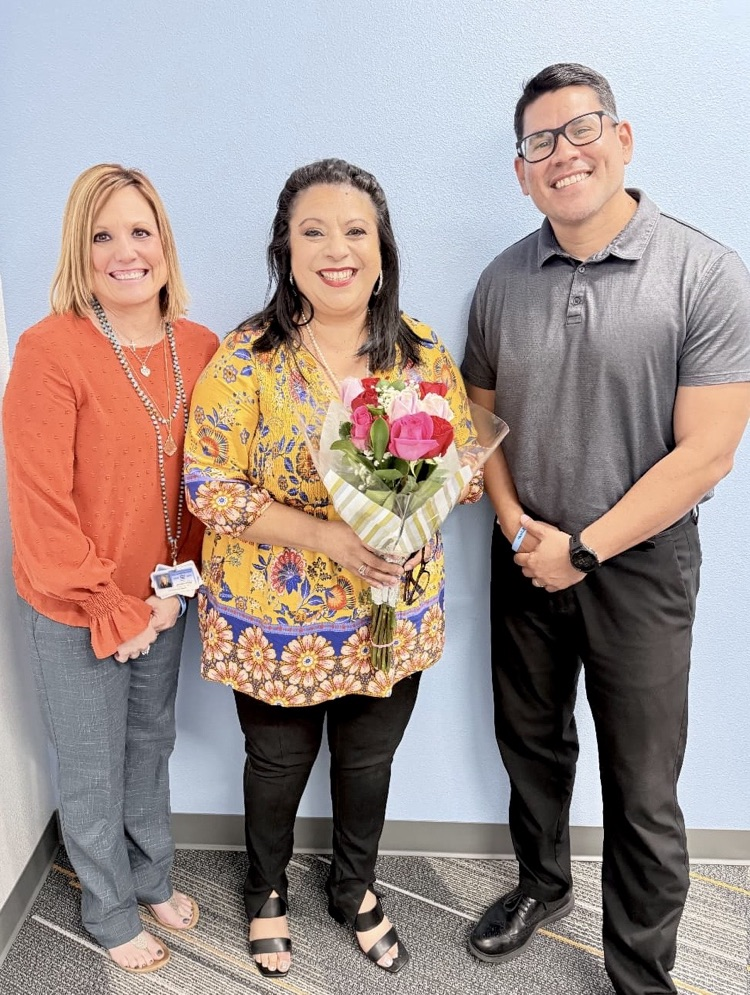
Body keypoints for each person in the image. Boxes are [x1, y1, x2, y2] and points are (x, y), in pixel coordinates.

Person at [461, 64, 750, 995]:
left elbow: (707, 454)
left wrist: (585, 548)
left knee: (643, 785)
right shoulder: (502, 279)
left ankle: (640, 970)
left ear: (622, 139)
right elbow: (478, 418)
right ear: (521, 172)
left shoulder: (704, 272)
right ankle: (541, 884)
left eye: (581, 129)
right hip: (524, 555)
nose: (563, 153)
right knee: (531, 746)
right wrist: (516, 527)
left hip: (640, 567)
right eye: (540, 142)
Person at [184, 157, 482, 978]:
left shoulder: (419, 351)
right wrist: (330, 537)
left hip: (393, 609)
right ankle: (265, 891)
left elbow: (467, 467)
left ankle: (354, 888)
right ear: (285, 248)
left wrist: (420, 512)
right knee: (277, 764)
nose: (336, 248)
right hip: (275, 619)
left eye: (355, 231)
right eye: (312, 231)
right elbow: (207, 482)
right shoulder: (248, 357)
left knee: (367, 762)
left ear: (382, 249)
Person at [3, 164, 218, 973]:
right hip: (78, 604)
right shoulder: (50, 347)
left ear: (163, 241)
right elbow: (40, 505)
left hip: (165, 601)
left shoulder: (200, 346)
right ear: (78, 250)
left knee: (149, 743)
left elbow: (210, 482)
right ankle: (107, 906)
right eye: (102, 236)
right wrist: (111, 603)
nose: (125, 251)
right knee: (91, 758)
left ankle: (152, 874)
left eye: (140, 230)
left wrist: (174, 593)